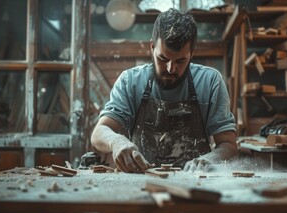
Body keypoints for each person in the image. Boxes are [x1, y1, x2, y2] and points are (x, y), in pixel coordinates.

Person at [91, 8, 237, 173]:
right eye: (163, 58)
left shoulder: (210, 82)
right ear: (152, 47)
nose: (170, 69)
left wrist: (209, 160)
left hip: (196, 183)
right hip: (143, 181)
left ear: (191, 53)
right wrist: (116, 142)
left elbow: (229, 145)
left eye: (180, 61)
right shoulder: (130, 81)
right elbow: (98, 133)